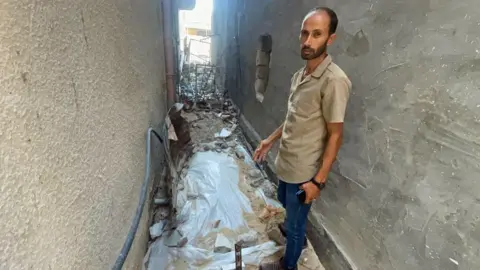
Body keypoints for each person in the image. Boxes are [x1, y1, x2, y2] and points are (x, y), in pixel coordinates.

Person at [253, 7, 351, 270]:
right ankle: (293, 231)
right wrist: (270, 140)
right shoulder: (300, 75)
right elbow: (295, 117)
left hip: (305, 172)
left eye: (317, 35)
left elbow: (336, 134)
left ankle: (289, 263)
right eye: (304, 34)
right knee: (285, 204)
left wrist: (318, 182)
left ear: (330, 39)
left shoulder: (334, 81)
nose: (308, 41)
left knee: (296, 226)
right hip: (287, 162)